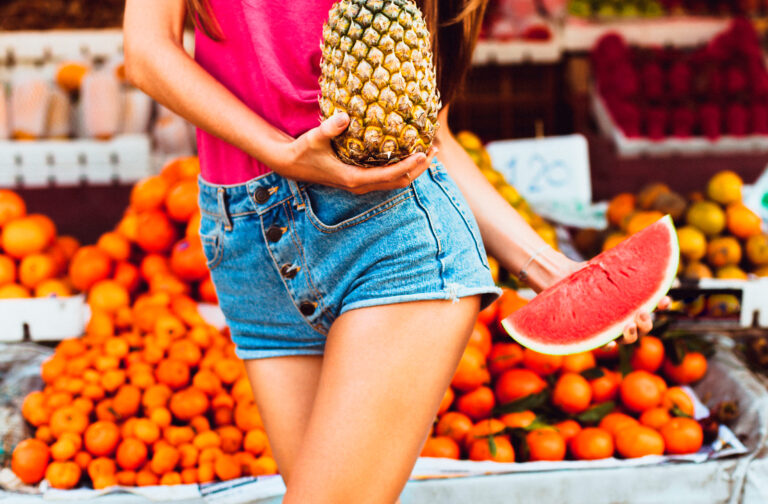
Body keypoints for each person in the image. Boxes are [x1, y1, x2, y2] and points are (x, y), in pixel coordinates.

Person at [123, 1, 667, 502]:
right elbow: (147, 52)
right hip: (247, 238)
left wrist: (552, 269)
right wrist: (280, 156)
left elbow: (433, 141)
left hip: (389, 235)